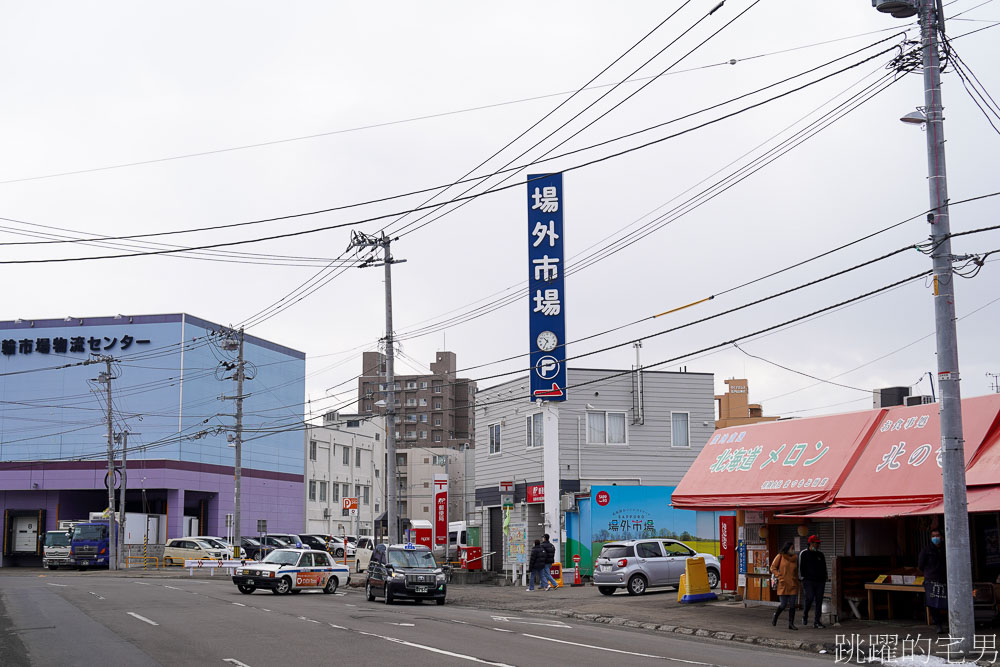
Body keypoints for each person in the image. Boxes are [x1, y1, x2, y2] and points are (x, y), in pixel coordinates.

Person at [918, 528, 948, 633]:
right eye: (933, 536)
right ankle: (938, 624)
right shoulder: (926, 550)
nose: (936, 538)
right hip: (931, 579)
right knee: (933, 603)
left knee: (947, 601)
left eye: (937, 535)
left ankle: (950, 622)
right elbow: (920, 566)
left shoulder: (946, 549)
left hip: (945, 579)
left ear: (942, 537)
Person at [798, 535, 827, 629]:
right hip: (808, 580)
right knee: (809, 598)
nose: (818, 545)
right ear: (811, 543)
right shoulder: (803, 553)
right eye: (816, 543)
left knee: (819, 601)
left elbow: (824, 567)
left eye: (819, 543)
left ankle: (817, 621)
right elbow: (799, 566)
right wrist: (801, 578)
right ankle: (805, 615)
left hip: (820, 581)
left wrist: (825, 578)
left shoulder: (820, 554)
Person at [770, 541, 800, 630]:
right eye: (792, 548)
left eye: (793, 548)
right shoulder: (780, 556)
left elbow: (796, 571)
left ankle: (791, 624)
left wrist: (797, 581)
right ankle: (775, 615)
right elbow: (772, 568)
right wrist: (779, 576)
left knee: (792, 605)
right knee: (783, 605)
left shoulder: (795, 558)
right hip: (783, 584)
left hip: (793, 584)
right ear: (787, 548)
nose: (793, 550)